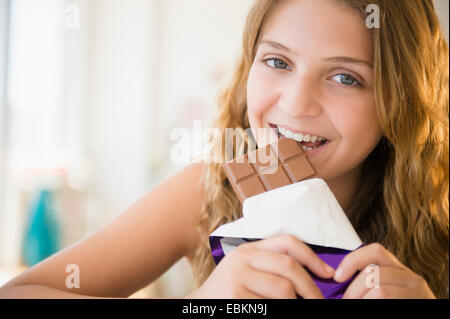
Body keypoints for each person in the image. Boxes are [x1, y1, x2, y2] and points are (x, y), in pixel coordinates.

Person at [0, 0, 448, 299]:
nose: (294, 104)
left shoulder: (439, 217)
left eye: (345, 77)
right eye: (278, 62)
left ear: (400, 100)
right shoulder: (206, 189)